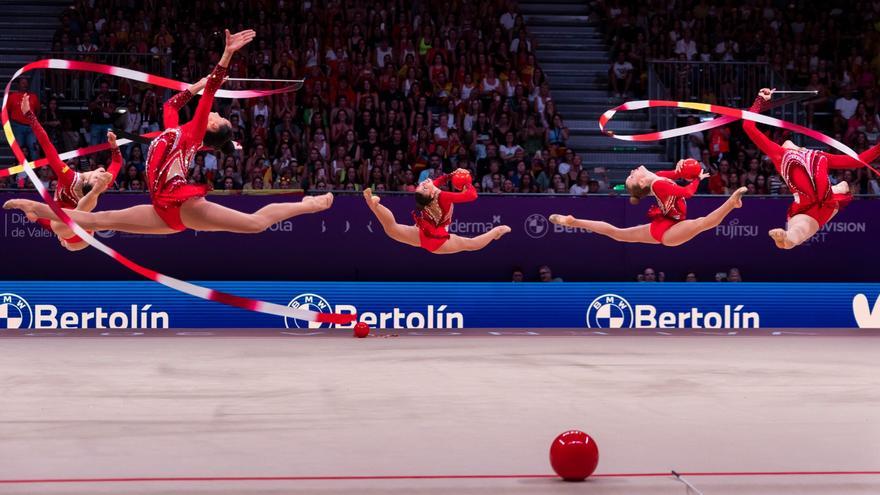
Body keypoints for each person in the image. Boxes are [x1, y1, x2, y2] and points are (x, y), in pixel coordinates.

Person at [6, 29, 334, 235]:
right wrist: (196, 85)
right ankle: (34, 208)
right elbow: (172, 106)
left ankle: (307, 204)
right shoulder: (176, 131)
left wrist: (227, 55)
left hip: (180, 203)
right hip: (161, 209)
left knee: (254, 225)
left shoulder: (191, 135)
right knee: (96, 220)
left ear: (212, 126)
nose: (217, 111)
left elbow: (210, 93)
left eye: (218, 115)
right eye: (218, 111)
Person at [743, 88, 876, 249]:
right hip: (805, 207)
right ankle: (783, 238)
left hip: (827, 202)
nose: (785, 142)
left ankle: (786, 237)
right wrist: (760, 100)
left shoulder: (820, 156)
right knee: (796, 235)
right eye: (783, 141)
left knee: (843, 187)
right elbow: (748, 127)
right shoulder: (779, 154)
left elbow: (858, 162)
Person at [550, 159, 747, 246]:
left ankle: (574, 221)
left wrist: (687, 167)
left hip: (665, 221)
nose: (632, 172)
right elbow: (687, 192)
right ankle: (732, 203)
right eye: (632, 177)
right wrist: (697, 180)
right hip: (671, 230)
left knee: (618, 234)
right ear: (642, 182)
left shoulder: (659, 177)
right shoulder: (659, 186)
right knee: (702, 223)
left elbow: (679, 174)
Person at [21, 96, 120, 251]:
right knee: (61, 229)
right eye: (102, 173)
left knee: (56, 224)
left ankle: (62, 236)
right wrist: (114, 146)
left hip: (68, 223)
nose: (102, 171)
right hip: (78, 227)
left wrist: (29, 115)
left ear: (90, 178)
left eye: (98, 176)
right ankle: (63, 236)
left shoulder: (69, 177)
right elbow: (117, 163)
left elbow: (46, 145)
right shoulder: (102, 183)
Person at [363, 170, 510, 254]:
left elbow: (437, 182)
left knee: (392, 230)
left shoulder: (430, 191)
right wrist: (466, 182)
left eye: (421, 185)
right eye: (424, 186)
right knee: (470, 244)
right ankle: (496, 231)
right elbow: (472, 196)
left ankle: (374, 205)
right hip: (436, 239)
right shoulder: (443, 197)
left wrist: (452, 175)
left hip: (422, 231)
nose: (425, 183)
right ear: (431, 194)